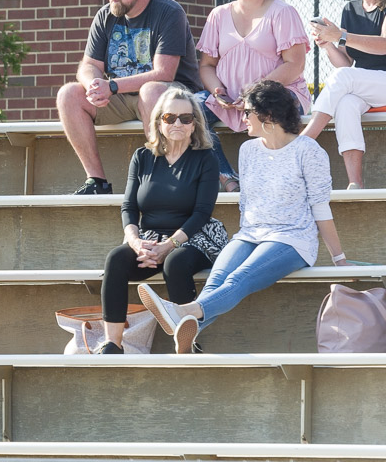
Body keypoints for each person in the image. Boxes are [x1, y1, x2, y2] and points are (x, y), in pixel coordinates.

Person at [139, 80, 350, 354]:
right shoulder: (248, 150)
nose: (242, 118)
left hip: (292, 239)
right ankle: (188, 336)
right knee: (217, 280)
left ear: (269, 116)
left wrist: (338, 258)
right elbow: (247, 204)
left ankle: (181, 313)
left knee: (241, 278)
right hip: (250, 234)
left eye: (248, 112)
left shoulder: (308, 152)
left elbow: (320, 208)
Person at [95, 88, 227, 354]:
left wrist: (168, 246)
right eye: (170, 117)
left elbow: (201, 213)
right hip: (150, 236)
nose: (177, 123)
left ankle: (189, 343)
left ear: (194, 125)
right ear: (159, 122)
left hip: (196, 236)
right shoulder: (143, 157)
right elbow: (129, 206)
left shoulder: (206, 159)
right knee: (116, 259)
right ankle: (113, 344)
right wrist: (135, 243)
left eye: (185, 118)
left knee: (176, 261)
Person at [56, 0, 204, 194]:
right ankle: (97, 182)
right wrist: (93, 85)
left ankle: (169, 178)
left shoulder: (169, 12)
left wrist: (112, 86)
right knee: (69, 94)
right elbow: (88, 65)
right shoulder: (105, 15)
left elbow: (164, 73)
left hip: (172, 95)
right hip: (122, 96)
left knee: (151, 89)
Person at [198, 0, 310, 192]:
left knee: (271, 111)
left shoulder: (282, 12)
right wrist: (218, 92)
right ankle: (228, 178)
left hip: (279, 94)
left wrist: (254, 94)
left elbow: (294, 65)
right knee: (189, 111)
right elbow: (206, 65)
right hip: (230, 99)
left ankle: (277, 184)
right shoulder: (218, 15)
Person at [301, 0, 386, 189]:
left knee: (344, 78)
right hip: (368, 83)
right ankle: (355, 183)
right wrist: (329, 44)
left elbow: (383, 45)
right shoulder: (351, 8)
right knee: (347, 104)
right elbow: (347, 63)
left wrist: (342, 35)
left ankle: (305, 140)